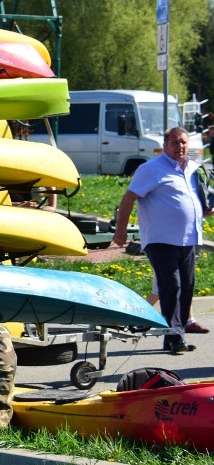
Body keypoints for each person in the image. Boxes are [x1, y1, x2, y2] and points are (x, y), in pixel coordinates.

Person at [113, 127, 208, 354]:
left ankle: (176, 336)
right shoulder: (151, 169)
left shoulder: (192, 170)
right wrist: (121, 230)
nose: (180, 147)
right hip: (161, 240)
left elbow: (198, 201)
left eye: (184, 142)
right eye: (175, 143)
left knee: (187, 288)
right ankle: (174, 337)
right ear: (165, 145)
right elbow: (129, 198)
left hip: (188, 240)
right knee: (171, 287)